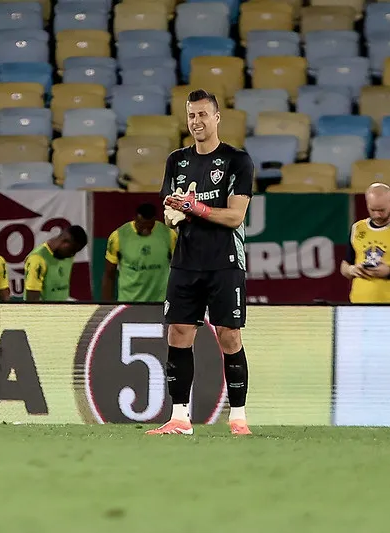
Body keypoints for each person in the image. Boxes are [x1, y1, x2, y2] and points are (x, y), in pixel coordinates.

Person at [147, 89, 256, 436]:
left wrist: (195, 208)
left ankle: (238, 418)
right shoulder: (177, 160)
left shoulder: (238, 160)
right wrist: (173, 215)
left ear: (217, 117)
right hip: (186, 261)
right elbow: (167, 210)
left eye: (203, 115)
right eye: (191, 115)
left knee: (229, 335)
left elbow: (236, 216)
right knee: (178, 333)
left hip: (224, 260)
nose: (196, 122)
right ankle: (179, 418)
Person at [101, 203, 176, 302]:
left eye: (150, 227)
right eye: (142, 226)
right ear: (135, 218)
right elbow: (109, 274)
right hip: (128, 302)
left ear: (155, 220)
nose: (146, 230)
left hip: (159, 303)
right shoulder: (118, 236)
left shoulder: (169, 235)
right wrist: (106, 305)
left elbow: (179, 270)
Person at [23, 225, 88, 302]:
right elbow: (32, 298)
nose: (72, 255)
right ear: (65, 242)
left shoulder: (67, 255)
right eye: (72, 250)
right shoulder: (37, 259)